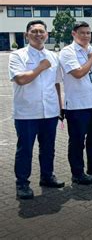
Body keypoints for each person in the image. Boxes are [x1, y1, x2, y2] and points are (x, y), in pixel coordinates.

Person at [9, 20, 65, 199]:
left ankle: (47, 176)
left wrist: (59, 106)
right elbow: (20, 79)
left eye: (42, 31)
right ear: (26, 35)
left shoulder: (53, 56)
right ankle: (22, 184)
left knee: (48, 147)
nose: (38, 34)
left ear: (47, 35)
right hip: (27, 112)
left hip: (49, 110)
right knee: (25, 149)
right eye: (34, 31)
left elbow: (56, 83)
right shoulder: (17, 55)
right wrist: (40, 67)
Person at [59, 21, 92, 185]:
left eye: (88, 33)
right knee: (77, 140)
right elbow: (78, 73)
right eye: (82, 33)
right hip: (77, 105)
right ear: (74, 34)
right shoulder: (67, 52)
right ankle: (77, 173)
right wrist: (91, 60)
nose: (86, 36)